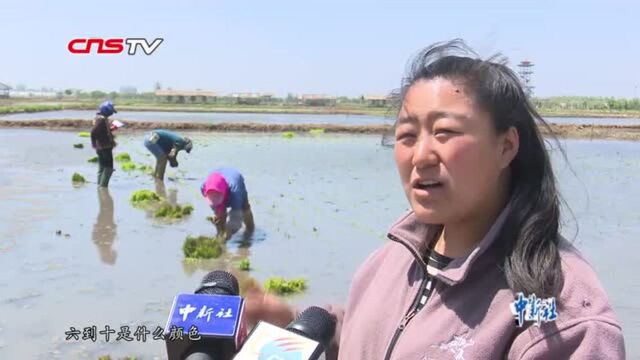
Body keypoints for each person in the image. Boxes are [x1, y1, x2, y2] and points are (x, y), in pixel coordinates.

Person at [242, 39, 625, 359]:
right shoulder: (390, 261)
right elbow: (385, 338)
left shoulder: (561, 312)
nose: (421, 155)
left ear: (506, 146)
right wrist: (295, 327)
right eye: (407, 135)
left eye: (444, 132)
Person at [201, 167, 255, 240]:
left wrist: (229, 230)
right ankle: (220, 236)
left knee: (244, 209)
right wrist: (219, 215)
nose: (214, 201)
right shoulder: (204, 187)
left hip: (235, 181)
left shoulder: (236, 192)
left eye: (217, 199)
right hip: (217, 182)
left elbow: (237, 220)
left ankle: (250, 232)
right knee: (219, 217)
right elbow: (215, 205)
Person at [90, 100, 118, 188]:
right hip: (104, 147)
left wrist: (111, 129)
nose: (111, 114)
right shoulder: (101, 120)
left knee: (102, 167)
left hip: (101, 147)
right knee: (108, 168)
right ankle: (103, 187)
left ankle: (100, 186)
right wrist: (93, 144)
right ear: (106, 111)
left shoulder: (100, 119)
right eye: (111, 112)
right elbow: (93, 132)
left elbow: (102, 132)